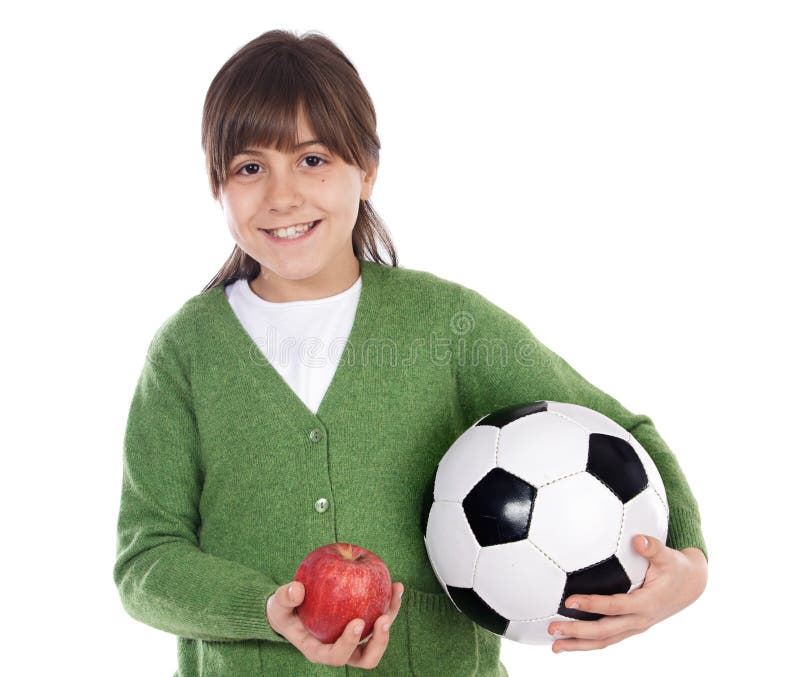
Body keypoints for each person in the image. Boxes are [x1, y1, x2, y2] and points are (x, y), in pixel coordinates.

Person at [113, 29, 709, 676]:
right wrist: (265, 608)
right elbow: (147, 558)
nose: (282, 195)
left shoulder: (444, 325)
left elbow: (622, 431)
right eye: (249, 167)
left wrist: (688, 562)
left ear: (366, 170)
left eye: (313, 160)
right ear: (216, 187)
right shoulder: (187, 352)